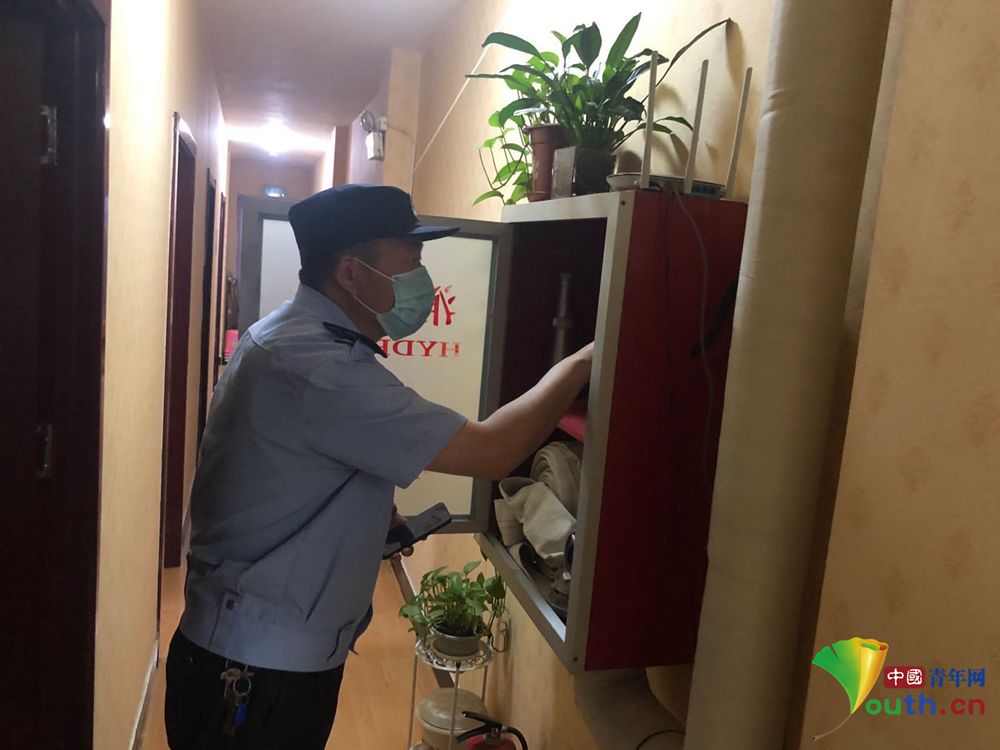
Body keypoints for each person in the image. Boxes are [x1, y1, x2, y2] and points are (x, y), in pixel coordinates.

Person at [164, 184, 592, 748]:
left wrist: (359, 519)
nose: (422, 277)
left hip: (259, 654)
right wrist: (584, 360)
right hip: (253, 673)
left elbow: (286, 470)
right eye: (409, 260)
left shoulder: (285, 336)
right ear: (350, 272)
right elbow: (493, 451)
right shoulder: (322, 368)